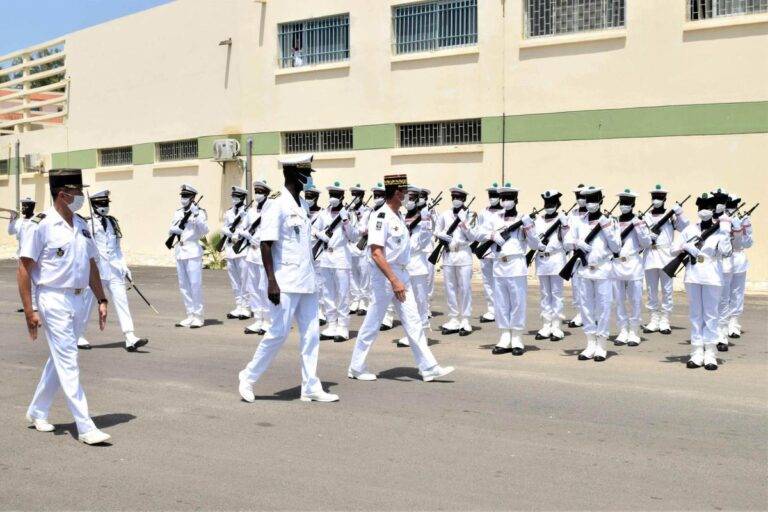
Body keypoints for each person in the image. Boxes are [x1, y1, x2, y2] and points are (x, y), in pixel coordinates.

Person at [18, 168, 112, 445]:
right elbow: (24, 269)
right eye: (78, 192)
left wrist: (102, 298)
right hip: (53, 297)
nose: (82, 196)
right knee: (69, 359)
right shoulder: (40, 224)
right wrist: (29, 311)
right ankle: (85, 426)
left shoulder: (81, 224)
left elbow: (91, 263)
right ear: (63, 194)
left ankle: (38, 410)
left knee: (61, 357)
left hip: (80, 298)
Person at [238, 154, 338, 403]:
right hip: (285, 281)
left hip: (306, 280)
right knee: (278, 333)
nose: (310, 179)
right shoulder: (277, 203)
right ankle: (248, 377)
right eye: (307, 173)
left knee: (312, 334)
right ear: (294, 174)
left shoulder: (303, 205)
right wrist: (272, 281)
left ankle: (310, 386)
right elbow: (266, 244)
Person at [347, 174, 454, 382]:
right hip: (386, 277)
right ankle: (356, 366)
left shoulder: (397, 217)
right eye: (405, 193)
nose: (407, 197)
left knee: (414, 320)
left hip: (401, 274)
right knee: (373, 322)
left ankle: (429, 367)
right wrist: (394, 280)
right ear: (396, 193)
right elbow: (376, 253)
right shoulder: (381, 217)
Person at [77, 190, 148, 352]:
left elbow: (117, 248)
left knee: (122, 301)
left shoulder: (112, 222)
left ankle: (130, 337)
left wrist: (124, 266)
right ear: (93, 205)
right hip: (95, 270)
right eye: (101, 204)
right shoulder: (86, 223)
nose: (104, 207)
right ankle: (78, 335)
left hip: (114, 269)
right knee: (87, 303)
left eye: (106, 204)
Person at [673, 193, 732, 370]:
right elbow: (672, 250)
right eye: (701, 208)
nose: (703, 211)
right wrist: (685, 246)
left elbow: (726, 252)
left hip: (712, 276)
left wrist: (726, 232)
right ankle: (697, 352)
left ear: (713, 210)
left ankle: (711, 353)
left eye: (707, 208)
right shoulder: (690, 229)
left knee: (711, 315)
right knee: (696, 315)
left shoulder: (720, 229)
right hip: (693, 276)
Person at [480, 184, 538, 355]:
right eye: (503, 199)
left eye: (509, 199)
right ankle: (505, 335)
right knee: (501, 303)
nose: (506, 202)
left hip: (516, 264)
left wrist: (529, 227)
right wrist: (491, 235)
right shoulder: (494, 217)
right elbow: (478, 233)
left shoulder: (523, 218)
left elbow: (534, 244)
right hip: (499, 264)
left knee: (518, 302)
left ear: (516, 200)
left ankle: (517, 337)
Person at [565, 186, 620, 362]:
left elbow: (616, 248)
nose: (590, 204)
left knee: (603, 308)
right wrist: (577, 243)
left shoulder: (610, 222)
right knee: (586, 308)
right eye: (588, 201)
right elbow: (566, 242)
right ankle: (590, 343)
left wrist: (606, 229)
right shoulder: (578, 221)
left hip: (603, 270)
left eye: (594, 201)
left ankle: (602, 345)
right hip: (584, 270)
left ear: (601, 202)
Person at [313, 181, 359, 342]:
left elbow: (354, 237)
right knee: (327, 292)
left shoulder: (349, 215)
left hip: (341, 257)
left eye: (336, 195)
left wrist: (346, 221)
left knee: (342, 293)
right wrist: (321, 235)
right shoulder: (324, 213)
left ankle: (343, 327)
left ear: (342, 197)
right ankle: (332, 324)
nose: (333, 198)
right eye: (331, 195)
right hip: (326, 256)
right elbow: (312, 229)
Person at [642, 184, 688, 335]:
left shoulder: (671, 217)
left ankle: (665, 320)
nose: (656, 200)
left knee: (667, 290)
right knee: (651, 290)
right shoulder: (646, 217)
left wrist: (679, 213)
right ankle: (654, 319)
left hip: (666, 255)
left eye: (659, 198)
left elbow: (684, 227)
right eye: (654, 198)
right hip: (650, 255)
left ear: (664, 199)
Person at [611, 190, 652, 347]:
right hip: (617, 264)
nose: (624, 206)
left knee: (635, 299)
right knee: (619, 300)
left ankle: (634, 331)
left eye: (627, 203)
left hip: (633, 263)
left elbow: (646, 243)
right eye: (622, 203)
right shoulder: (614, 221)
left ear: (633, 205)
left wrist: (640, 228)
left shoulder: (639, 223)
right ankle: (623, 330)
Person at [435, 184, 476, 336]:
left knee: (465, 287)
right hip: (448, 255)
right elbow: (437, 231)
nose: (456, 200)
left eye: (459, 198)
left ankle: (465, 319)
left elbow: (473, 237)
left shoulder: (471, 215)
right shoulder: (445, 214)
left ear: (464, 199)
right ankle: (453, 318)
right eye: (454, 197)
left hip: (464, 254)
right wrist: (442, 236)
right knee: (450, 287)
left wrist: (464, 224)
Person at [396, 186, 433, 348]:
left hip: (417, 265)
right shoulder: (401, 216)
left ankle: (422, 333)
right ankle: (410, 332)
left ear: (417, 200)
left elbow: (422, 242)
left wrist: (424, 224)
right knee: (406, 303)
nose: (407, 201)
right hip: (403, 266)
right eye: (406, 198)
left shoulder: (423, 218)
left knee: (420, 301)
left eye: (411, 198)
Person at [168, 184, 209, 328]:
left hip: (192, 252)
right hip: (180, 251)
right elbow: (171, 229)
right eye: (182, 196)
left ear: (193, 198)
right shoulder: (178, 212)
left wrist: (196, 215)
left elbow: (204, 231)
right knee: (184, 286)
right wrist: (174, 229)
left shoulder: (200, 212)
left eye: (186, 196)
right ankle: (190, 314)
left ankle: (199, 316)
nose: (183, 198)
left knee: (195, 285)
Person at [532, 190, 569, 342]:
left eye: (551, 204)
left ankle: (557, 326)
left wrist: (565, 225)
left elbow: (567, 241)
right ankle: (546, 325)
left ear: (557, 205)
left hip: (556, 259)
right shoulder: (538, 220)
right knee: (545, 294)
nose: (548, 207)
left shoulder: (561, 220)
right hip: (541, 260)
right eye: (546, 204)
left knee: (556, 294)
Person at [240, 180, 272, 335]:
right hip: (251, 255)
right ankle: (258, 319)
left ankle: (268, 320)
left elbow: (269, 234)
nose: (258, 195)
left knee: (264, 287)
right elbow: (243, 228)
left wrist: (253, 238)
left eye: (261, 192)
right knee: (252, 288)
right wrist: (245, 233)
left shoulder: (270, 212)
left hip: (263, 255)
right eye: (256, 192)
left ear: (266, 194)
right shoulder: (251, 211)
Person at [221, 186, 251, 320]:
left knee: (245, 280)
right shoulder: (228, 212)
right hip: (230, 250)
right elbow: (225, 226)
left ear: (243, 198)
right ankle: (239, 305)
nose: (234, 199)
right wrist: (226, 230)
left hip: (242, 250)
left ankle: (247, 307)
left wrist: (236, 233)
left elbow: (250, 229)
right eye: (233, 196)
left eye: (236, 196)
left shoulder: (248, 212)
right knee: (234, 280)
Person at [475, 183, 503, 323]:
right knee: (488, 282)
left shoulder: (505, 212)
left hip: (499, 252)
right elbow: (478, 233)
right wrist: (490, 236)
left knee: (499, 281)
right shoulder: (482, 213)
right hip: (486, 251)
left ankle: (501, 310)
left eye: (495, 196)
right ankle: (491, 309)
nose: (492, 198)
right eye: (490, 196)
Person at [725, 196, 752, 339]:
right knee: (723, 292)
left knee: (736, 292)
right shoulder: (721, 219)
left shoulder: (743, 220)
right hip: (723, 258)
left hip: (738, 257)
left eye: (734, 205)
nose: (731, 207)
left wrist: (743, 228)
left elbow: (748, 243)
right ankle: (721, 322)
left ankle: (733, 323)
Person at [8, 197, 38, 312]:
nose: (23, 208)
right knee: (24, 280)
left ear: (32, 207)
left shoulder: (37, 220)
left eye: (25, 206)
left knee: (34, 281)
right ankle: (28, 304)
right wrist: (13, 218)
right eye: (22, 206)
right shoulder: (20, 221)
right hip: (22, 255)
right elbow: (10, 231)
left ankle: (36, 304)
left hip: (34, 254)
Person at [304, 185, 326, 326]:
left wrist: (316, 232)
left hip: (318, 253)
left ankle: (321, 311)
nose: (308, 199)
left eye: (311, 197)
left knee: (320, 284)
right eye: (306, 196)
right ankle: (310, 310)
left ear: (316, 198)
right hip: (304, 253)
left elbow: (328, 235)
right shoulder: (302, 212)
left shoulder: (322, 214)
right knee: (307, 283)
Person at [567, 184, 588, 328]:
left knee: (588, 286)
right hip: (575, 253)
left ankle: (590, 314)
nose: (580, 199)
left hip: (590, 255)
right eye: (578, 197)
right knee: (576, 286)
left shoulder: (593, 215)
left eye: (583, 196)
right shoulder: (572, 214)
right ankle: (579, 313)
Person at [347, 184, 369, 315]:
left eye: (357, 195)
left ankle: (364, 302)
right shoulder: (348, 210)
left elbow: (368, 228)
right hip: (350, 245)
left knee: (364, 274)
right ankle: (355, 299)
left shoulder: (368, 211)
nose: (355, 198)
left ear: (362, 196)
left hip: (362, 245)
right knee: (352, 274)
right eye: (353, 195)